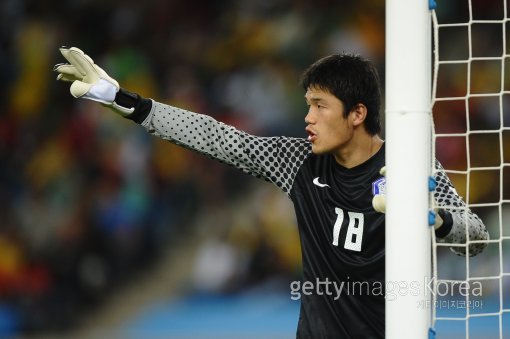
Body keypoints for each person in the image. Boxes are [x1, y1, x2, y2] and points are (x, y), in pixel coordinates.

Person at [54, 47, 489, 338]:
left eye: (319, 106)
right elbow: (218, 138)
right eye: (307, 105)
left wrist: (435, 219)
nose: (308, 118)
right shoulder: (299, 160)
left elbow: (476, 236)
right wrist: (126, 101)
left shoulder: (412, 168)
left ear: (358, 113)